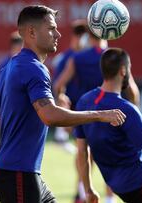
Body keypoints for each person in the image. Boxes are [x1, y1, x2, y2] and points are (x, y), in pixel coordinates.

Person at [0, 5, 127, 203]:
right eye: (51, 28)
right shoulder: (34, 69)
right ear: (31, 32)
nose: (57, 34)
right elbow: (49, 116)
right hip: (19, 174)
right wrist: (100, 115)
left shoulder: (11, 66)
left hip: (20, 172)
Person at [74, 47, 142, 203]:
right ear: (123, 71)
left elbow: (82, 152)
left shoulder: (84, 101)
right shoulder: (126, 109)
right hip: (138, 182)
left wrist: (88, 189)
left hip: (116, 182)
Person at [53, 29, 120, 203]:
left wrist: (61, 97)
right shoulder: (115, 58)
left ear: (88, 37)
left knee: (83, 153)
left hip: (85, 112)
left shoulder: (78, 58)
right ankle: (109, 199)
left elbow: (59, 84)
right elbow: (132, 90)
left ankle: (83, 193)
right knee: (111, 156)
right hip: (111, 112)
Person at [50, 19, 87, 154]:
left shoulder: (88, 55)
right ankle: (60, 137)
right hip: (73, 106)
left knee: (84, 148)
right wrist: (60, 101)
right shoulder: (66, 58)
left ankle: (60, 138)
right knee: (82, 147)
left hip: (86, 105)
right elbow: (58, 84)